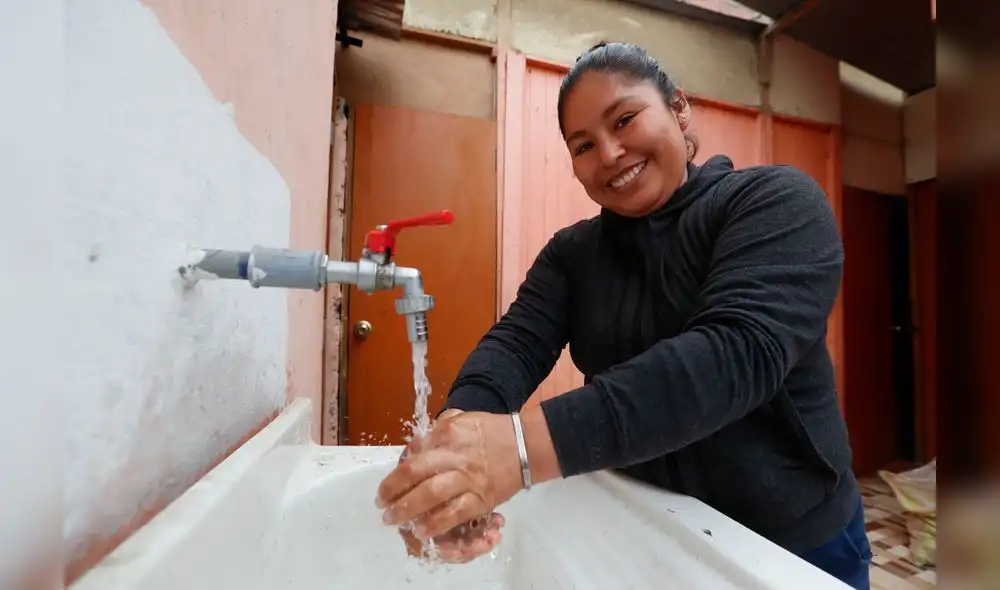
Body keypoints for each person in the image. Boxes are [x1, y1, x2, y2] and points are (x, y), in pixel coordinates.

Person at [375, 41, 872, 590]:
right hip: (647, 526)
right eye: (583, 145)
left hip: (792, 543)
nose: (609, 154)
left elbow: (733, 354)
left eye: (625, 120)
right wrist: (453, 461)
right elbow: (514, 347)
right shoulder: (572, 255)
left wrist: (516, 451)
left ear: (678, 109)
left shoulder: (773, 204)